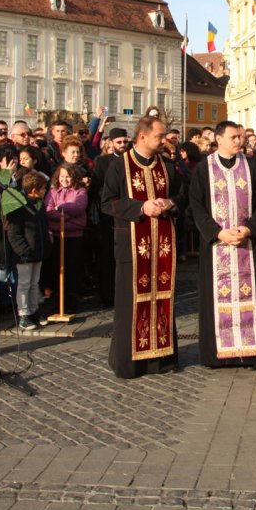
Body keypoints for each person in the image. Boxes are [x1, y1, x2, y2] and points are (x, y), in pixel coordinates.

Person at [101, 116, 184, 378]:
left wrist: (170, 204)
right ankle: (131, 363)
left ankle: (161, 359)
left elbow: (182, 196)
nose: (164, 141)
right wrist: (141, 207)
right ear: (143, 137)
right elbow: (107, 202)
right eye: (160, 136)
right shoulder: (119, 166)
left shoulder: (167, 166)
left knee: (162, 301)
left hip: (163, 246)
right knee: (131, 304)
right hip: (132, 248)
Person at [188, 120, 256, 369]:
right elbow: (196, 205)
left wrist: (249, 228)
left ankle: (247, 352)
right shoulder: (204, 169)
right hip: (216, 246)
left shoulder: (252, 166)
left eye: (241, 137)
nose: (239, 141)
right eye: (234, 137)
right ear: (219, 139)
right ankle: (217, 354)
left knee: (249, 298)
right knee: (215, 299)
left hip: (246, 244)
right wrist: (217, 233)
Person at [89, 127, 130, 306]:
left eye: (125, 142)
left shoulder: (131, 160)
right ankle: (107, 293)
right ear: (111, 143)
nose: (122, 145)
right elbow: (96, 186)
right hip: (110, 215)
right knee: (108, 255)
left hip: (130, 212)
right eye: (119, 142)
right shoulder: (103, 162)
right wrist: (112, 197)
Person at [6, 172, 52, 329]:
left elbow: (43, 226)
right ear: (33, 189)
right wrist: (23, 249)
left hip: (38, 250)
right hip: (25, 254)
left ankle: (34, 310)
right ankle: (23, 313)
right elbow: (13, 232)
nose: (45, 191)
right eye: (42, 188)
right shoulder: (19, 205)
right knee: (24, 283)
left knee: (34, 283)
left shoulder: (39, 204)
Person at [44, 162, 89, 308]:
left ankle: (72, 297)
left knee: (73, 268)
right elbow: (49, 210)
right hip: (57, 235)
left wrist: (61, 209)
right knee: (57, 268)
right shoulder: (52, 191)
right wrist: (65, 216)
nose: (65, 179)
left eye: (68, 177)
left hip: (74, 236)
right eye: (62, 176)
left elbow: (79, 207)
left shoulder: (80, 191)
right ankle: (58, 297)